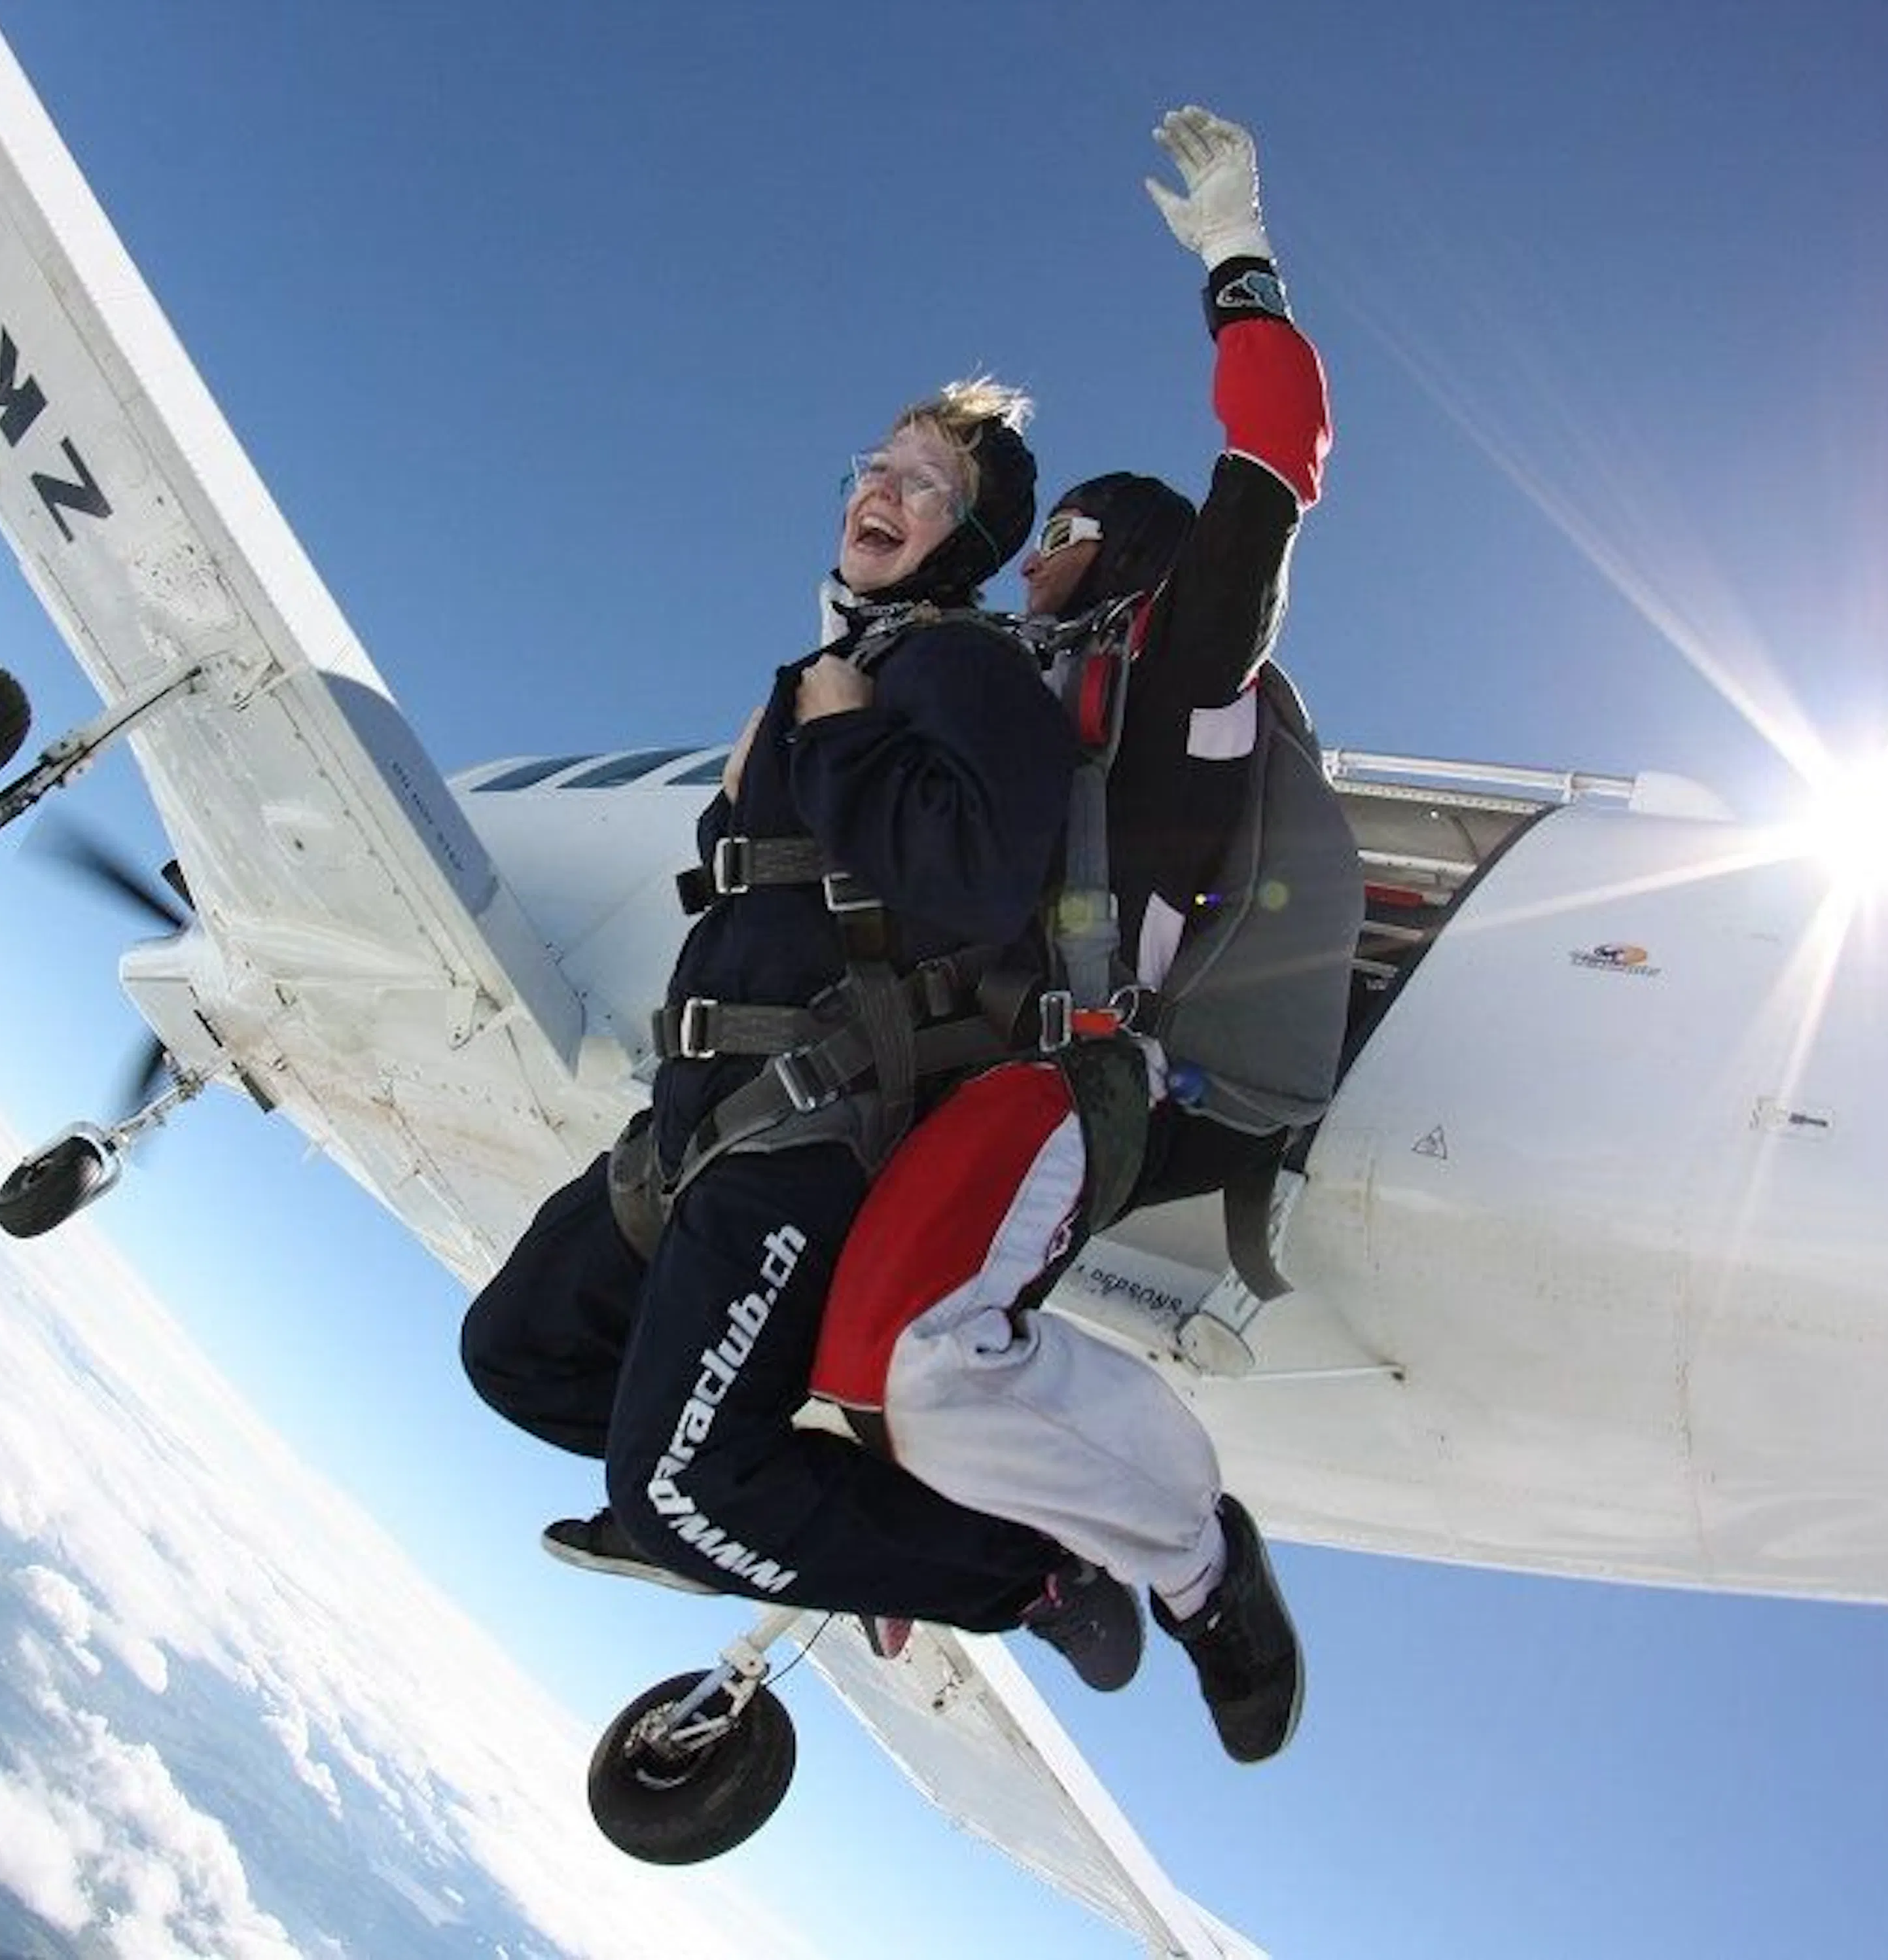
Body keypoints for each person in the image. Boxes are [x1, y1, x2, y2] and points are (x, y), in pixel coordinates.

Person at [806, 105, 1340, 1764]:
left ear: (1137, 564)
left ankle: (1195, 1567)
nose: (1035, 558)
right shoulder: (983, 678)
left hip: (1066, 1074)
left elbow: (1276, 465)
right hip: (919, 1050)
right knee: (783, 1305)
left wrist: (1239, 263)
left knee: (926, 1362)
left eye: (1068, 535)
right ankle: (1025, 1560)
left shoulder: (1182, 683)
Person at [461, 373, 1126, 1645]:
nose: (881, 488)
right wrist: (778, 754)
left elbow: (979, 878)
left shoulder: (969, 666)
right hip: (690, 1118)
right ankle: (819, 1527)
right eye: (875, 465)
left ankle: (1032, 1576)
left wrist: (832, 737)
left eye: (924, 482)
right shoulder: (834, 675)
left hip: (807, 1128)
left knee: (673, 1492)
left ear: (975, 542)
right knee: (518, 1353)